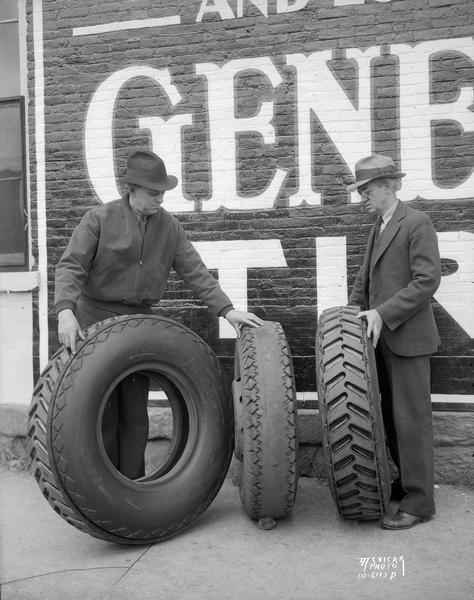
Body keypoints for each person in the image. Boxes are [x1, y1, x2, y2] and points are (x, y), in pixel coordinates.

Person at [55, 148, 263, 480]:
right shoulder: (98, 219)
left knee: (135, 414)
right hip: (93, 320)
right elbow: (71, 267)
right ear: (131, 189)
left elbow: (195, 271)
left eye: (162, 193)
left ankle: (133, 486)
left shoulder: (170, 227)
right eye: (153, 193)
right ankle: (105, 488)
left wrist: (227, 310)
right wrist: (66, 311)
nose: (159, 199)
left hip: (138, 324)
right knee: (102, 413)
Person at [347, 154, 441, 530]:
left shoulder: (417, 222)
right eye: (362, 191)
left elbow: (427, 281)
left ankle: (420, 503)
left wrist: (382, 313)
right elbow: (365, 278)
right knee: (389, 418)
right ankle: (405, 483)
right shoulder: (379, 226)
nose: (363, 197)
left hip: (409, 339)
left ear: (389, 186)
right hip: (380, 339)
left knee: (412, 421)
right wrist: (351, 310)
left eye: (367, 190)